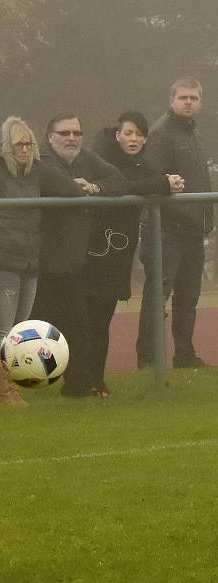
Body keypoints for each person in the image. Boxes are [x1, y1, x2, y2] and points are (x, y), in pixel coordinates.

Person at [0, 116, 85, 406]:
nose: (24, 149)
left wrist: (87, 186)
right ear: (6, 148)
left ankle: (12, 388)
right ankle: (0, 393)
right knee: (1, 328)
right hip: (0, 262)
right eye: (17, 144)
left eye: (28, 143)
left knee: (19, 329)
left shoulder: (38, 174)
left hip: (29, 261)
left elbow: (69, 190)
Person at [30, 113, 127, 397]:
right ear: (50, 137)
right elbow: (63, 187)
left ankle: (78, 386)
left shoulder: (86, 157)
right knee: (25, 325)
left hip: (70, 262)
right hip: (40, 262)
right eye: (65, 133)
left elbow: (118, 179)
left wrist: (95, 187)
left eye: (77, 133)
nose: (72, 138)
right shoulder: (42, 161)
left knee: (77, 323)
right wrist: (80, 188)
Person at [88, 111, 185, 395]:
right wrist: (162, 183)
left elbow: (150, 180)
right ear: (118, 134)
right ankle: (85, 379)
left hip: (118, 251)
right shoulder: (102, 157)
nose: (135, 139)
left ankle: (94, 380)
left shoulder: (141, 162)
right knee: (89, 317)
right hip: (94, 250)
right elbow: (123, 187)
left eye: (140, 134)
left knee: (103, 316)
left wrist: (170, 182)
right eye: (129, 133)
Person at [136, 77, 213, 369]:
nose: (189, 102)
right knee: (158, 296)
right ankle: (148, 360)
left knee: (188, 297)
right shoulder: (162, 133)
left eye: (194, 98)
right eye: (183, 97)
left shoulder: (194, 134)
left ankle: (185, 354)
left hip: (193, 231)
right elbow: (153, 178)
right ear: (172, 100)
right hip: (166, 231)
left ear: (200, 102)